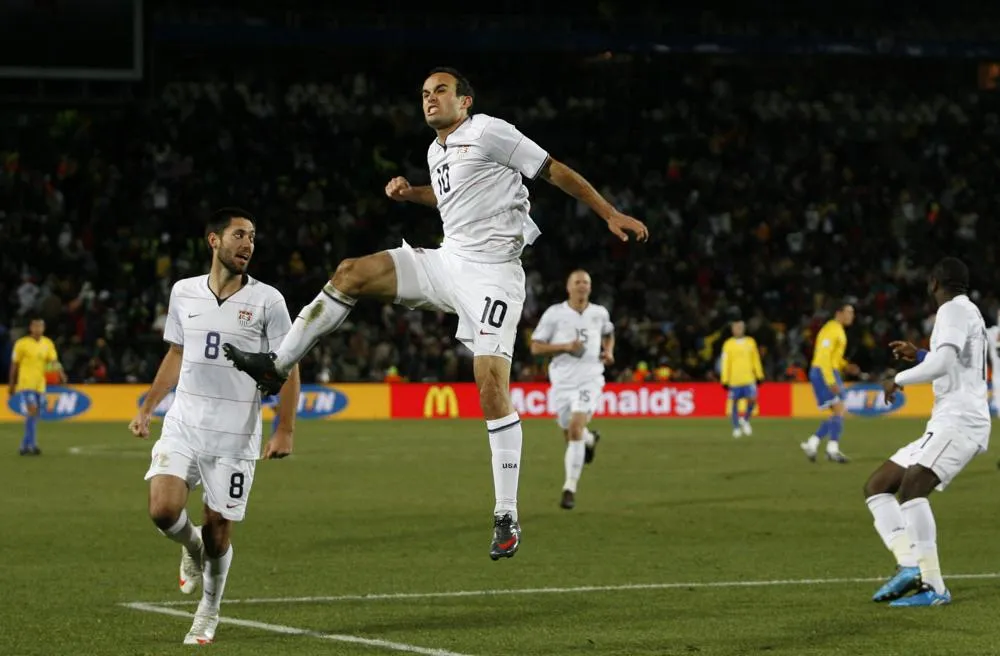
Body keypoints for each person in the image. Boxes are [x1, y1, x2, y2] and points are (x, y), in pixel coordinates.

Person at [222, 67, 648, 560]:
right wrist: (412, 195)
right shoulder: (436, 150)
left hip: (493, 275)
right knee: (349, 273)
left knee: (490, 385)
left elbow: (553, 170)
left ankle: (506, 512)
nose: (429, 99)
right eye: (424, 93)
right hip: (448, 262)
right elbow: (449, 199)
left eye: (440, 91)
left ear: (465, 101)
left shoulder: (491, 130)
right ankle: (276, 367)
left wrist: (609, 212)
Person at [128, 208, 300, 644]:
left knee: (219, 527)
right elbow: (175, 354)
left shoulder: (268, 301)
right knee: (163, 510)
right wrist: (148, 407)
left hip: (235, 434)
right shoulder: (184, 292)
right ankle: (192, 547)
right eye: (239, 235)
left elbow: (289, 366)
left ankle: (208, 609)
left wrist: (285, 429)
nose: (248, 244)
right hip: (185, 422)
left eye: (253, 237)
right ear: (214, 241)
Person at [866, 257, 989, 607]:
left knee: (914, 485)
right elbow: (955, 360)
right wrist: (920, 353)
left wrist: (897, 379)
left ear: (935, 282)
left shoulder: (952, 311)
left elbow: (944, 363)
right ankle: (908, 564)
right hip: (947, 421)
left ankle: (933, 586)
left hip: (960, 419)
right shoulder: (968, 311)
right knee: (879, 485)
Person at [530, 269, 614, 510]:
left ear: (590, 287)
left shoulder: (599, 313)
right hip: (562, 382)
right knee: (570, 433)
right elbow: (535, 347)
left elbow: (609, 333)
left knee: (575, 426)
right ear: (568, 287)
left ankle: (569, 488)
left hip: (590, 379)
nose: (582, 286)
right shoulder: (555, 314)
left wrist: (608, 351)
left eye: (586, 282)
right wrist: (566, 346)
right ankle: (589, 439)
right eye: (577, 282)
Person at [800, 302, 858, 463]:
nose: (851, 315)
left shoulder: (837, 330)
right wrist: (831, 381)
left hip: (829, 371)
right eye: (849, 312)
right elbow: (824, 357)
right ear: (839, 313)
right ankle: (831, 449)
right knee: (839, 409)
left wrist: (846, 366)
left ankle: (813, 443)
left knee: (837, 412)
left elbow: (834, 358)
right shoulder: (830, 330)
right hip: (823, 372)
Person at [8, 317, 65, 455]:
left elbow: (53, 361)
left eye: (41, 327)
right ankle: (32, 445)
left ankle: (24, 445)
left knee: (35, 414)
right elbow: (14, 365)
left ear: (44, 328)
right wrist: (11, 383)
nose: (38, 329)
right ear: (31, 328)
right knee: (32, 411)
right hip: (26, 383)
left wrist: (61, 374)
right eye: (36, 326)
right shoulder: (22, 343)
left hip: (40, 385)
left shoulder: (47, 343)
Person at [719, 320, 764, 438]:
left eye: (740, 327)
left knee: (752, 399)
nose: (738, 329)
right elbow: (725, 363)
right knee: (734, 403)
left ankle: (745, 419)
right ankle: (736, 428)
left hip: (749, 378)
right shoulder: (728, 344)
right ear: (732, 329)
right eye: (735, 327)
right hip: (734, 379)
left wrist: (759, 375)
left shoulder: (751, 342)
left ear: (743, 328)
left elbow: (756, 359)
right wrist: (724, 379)